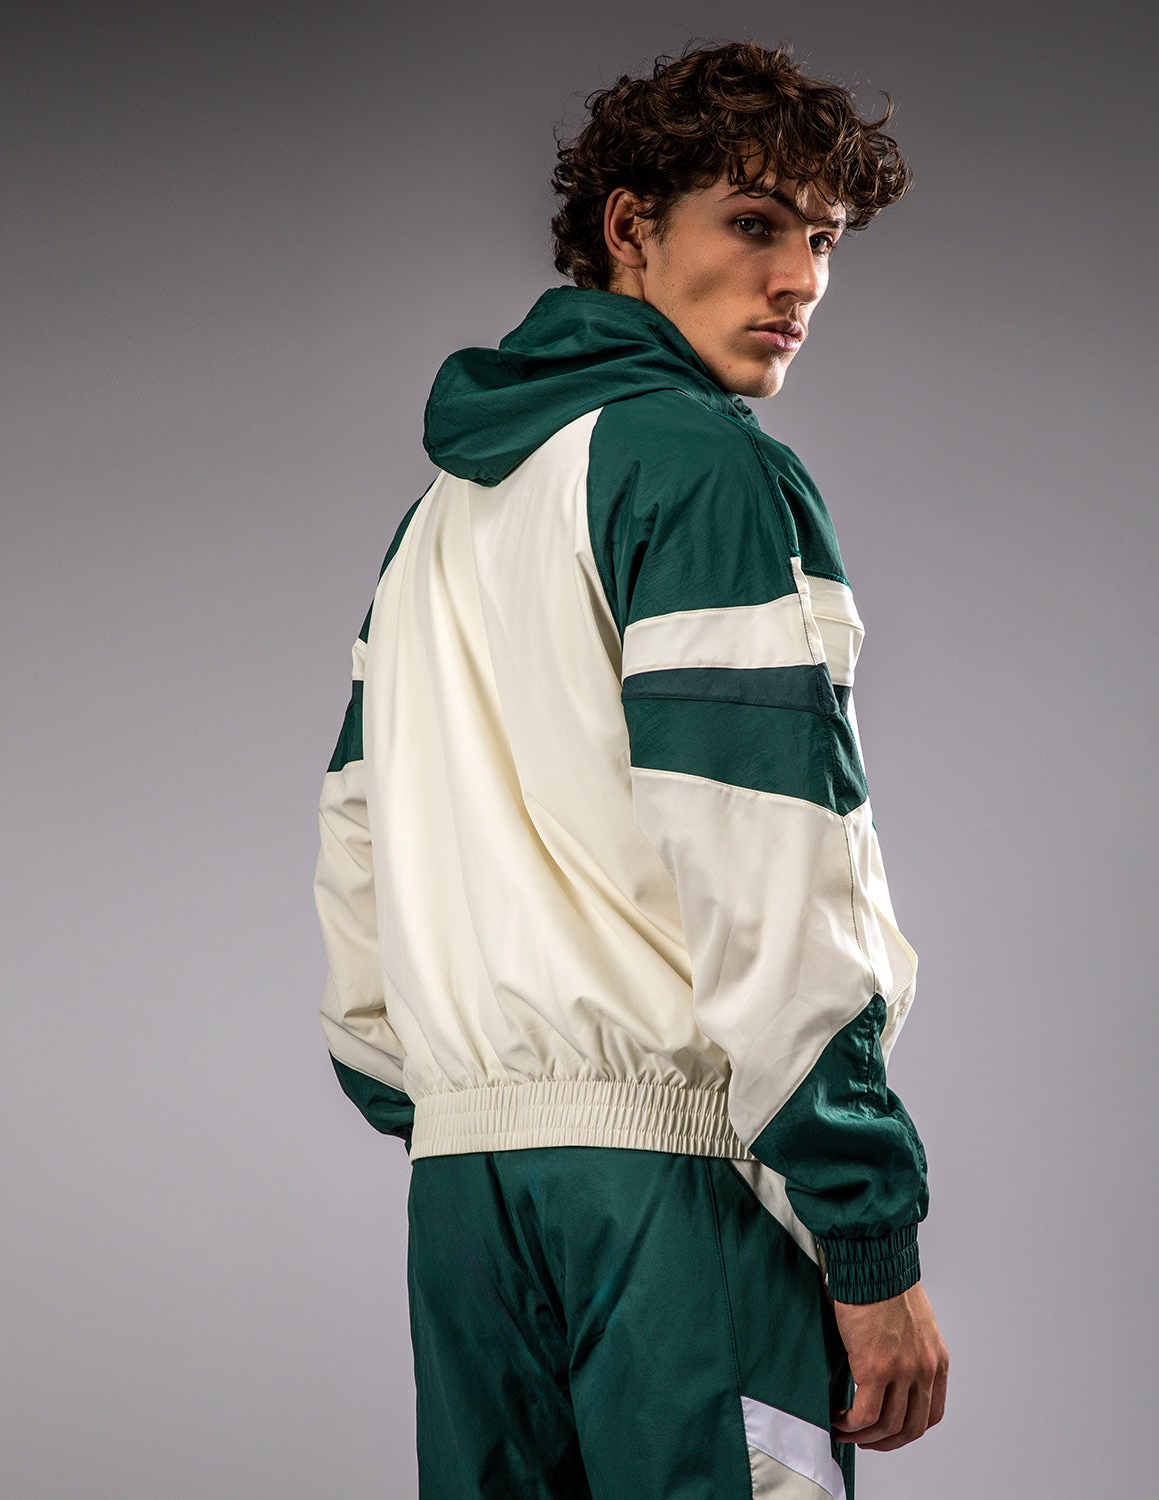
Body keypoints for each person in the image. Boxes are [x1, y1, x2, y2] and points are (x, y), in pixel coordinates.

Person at [313, 37, 949, 1500]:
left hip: (468, 1207)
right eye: (754, 223)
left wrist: (472, 1114)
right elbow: (770, 856)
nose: (798, 280)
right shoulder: (703, 467)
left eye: (823, 240)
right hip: (677, 1193)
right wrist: (867, 1240)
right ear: (629, 226)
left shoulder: (436, 523)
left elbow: (356, 855)